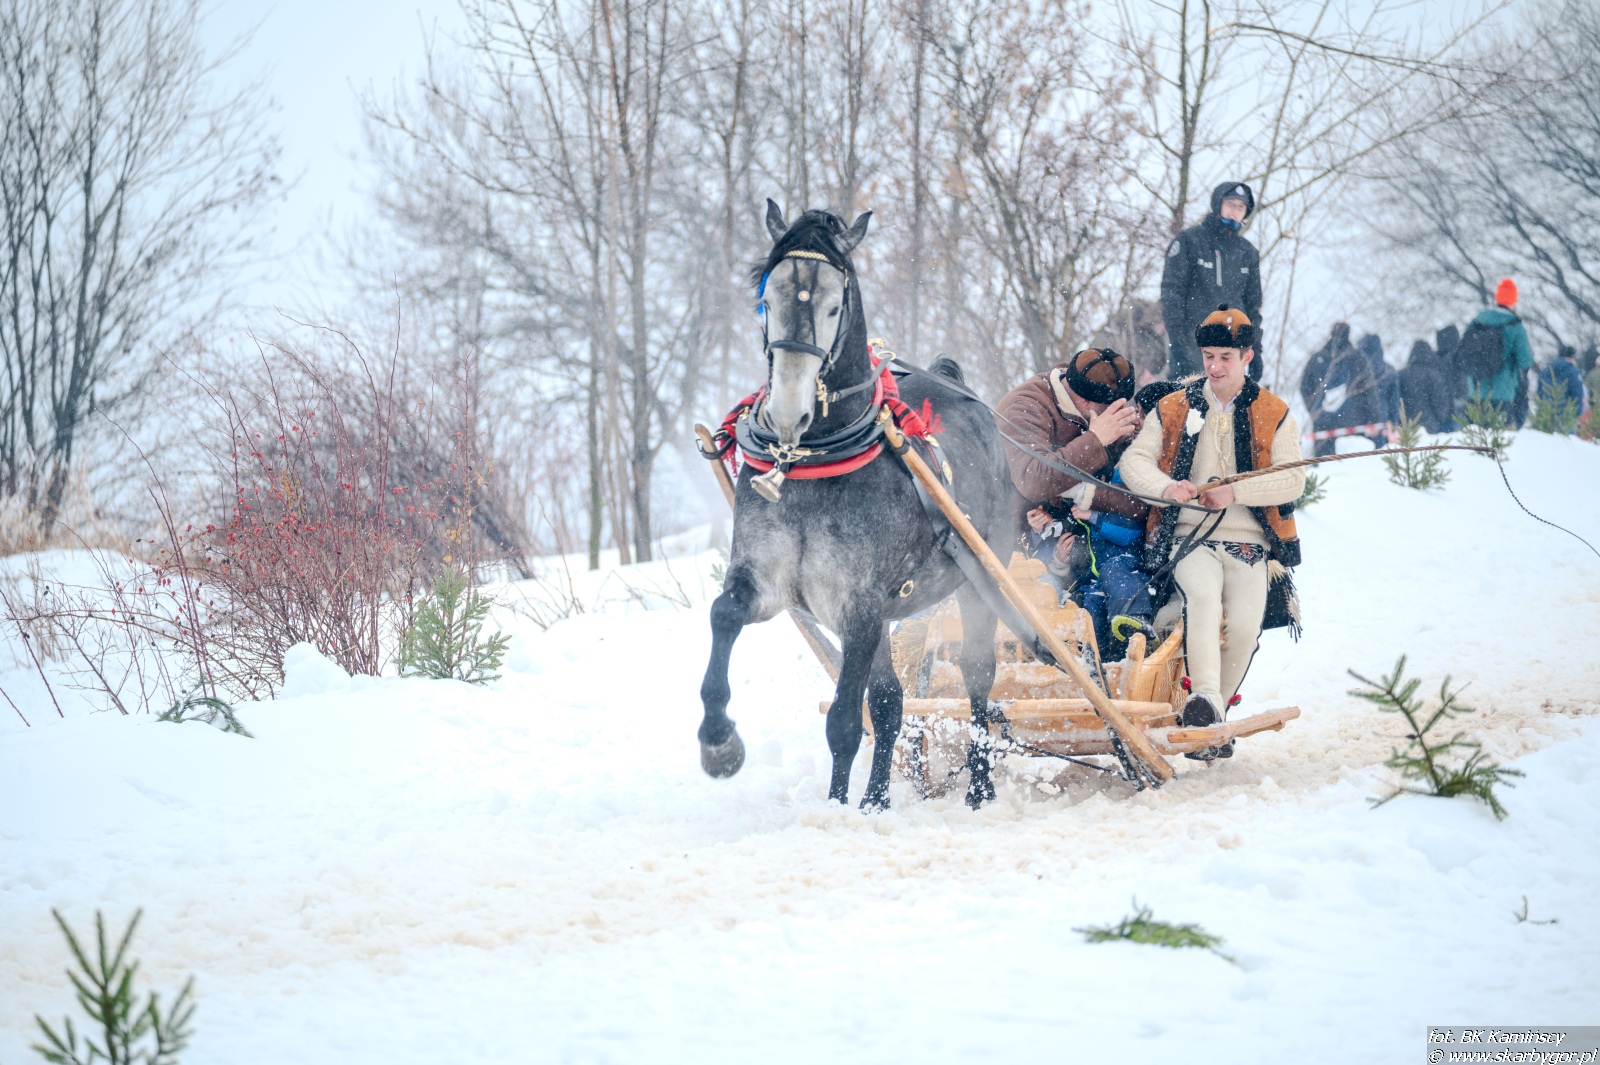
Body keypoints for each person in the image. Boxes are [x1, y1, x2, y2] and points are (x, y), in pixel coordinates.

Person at [1120, 306, 1304, 759]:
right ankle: (1203, 699)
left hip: (1249, 542)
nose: (1215, 367)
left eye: (1225, 357)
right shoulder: (1172, 407)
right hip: (1189, 536)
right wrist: (1167, 488)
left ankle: (1210, 716)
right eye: (1208, 357)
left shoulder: (1275, 412)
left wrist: (1236, 491)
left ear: (1247, 357)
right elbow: (1133, 462)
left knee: (1244, 627)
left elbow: (1293, 479)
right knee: (1202, 598)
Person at [996, 348, 1154, 657]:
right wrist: (1095, 440)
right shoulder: (1025, 407)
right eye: (1113, 408)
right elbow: (1034, 478)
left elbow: (1141, 499)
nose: (1120, 414)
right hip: (1013, 544)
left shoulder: (1091, 405)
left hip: (1084, 543)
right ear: (1085, 402)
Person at [1160, 182, 1263, 382]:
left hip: (1232, 350)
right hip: (1192, 346)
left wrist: (1255, 349)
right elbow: (1172, 294)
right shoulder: (1189, 241)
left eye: (1241, 207)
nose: (1235, 211)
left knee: (1227, 401)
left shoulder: (1247, 253)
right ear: (1218, 204)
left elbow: (1253, 308)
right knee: (1187, 400)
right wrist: (1178, 343)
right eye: (1230, 204)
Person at [1299, 322, 1384, 456]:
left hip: (1322, 422)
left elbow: (1304, 387)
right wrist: (1375, 418)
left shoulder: (1317, 358)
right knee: (1348, 465)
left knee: (1323, 464)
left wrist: (1314, 411)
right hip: (1352, 423)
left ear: (1331, 333)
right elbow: (1370, 391)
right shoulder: (1358, 358)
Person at [1461, 278, 1535, 427]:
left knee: (1474, 436)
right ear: (1513, 300)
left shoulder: (1477, 321)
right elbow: (1525, 360)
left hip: (1475, 392)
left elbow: (1465, 351)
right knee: (1501, 437)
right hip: (1502, 393)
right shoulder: (1514, 326)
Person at [1398, 338, 1453, 433]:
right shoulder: (1433, 375)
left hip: (1406, 424)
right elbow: (1440, 401)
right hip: (1430, 424)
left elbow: (1397, 400)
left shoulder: (1401, 375)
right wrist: (1439, 419)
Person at [1536, 345, 1587, 424]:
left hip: (1545, 411)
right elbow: (1577, 393)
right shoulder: (1572, 371)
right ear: (1572, 357)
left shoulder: (1547, 368)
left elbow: (1539, 389)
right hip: (1565, 414)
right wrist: (1578, 412)